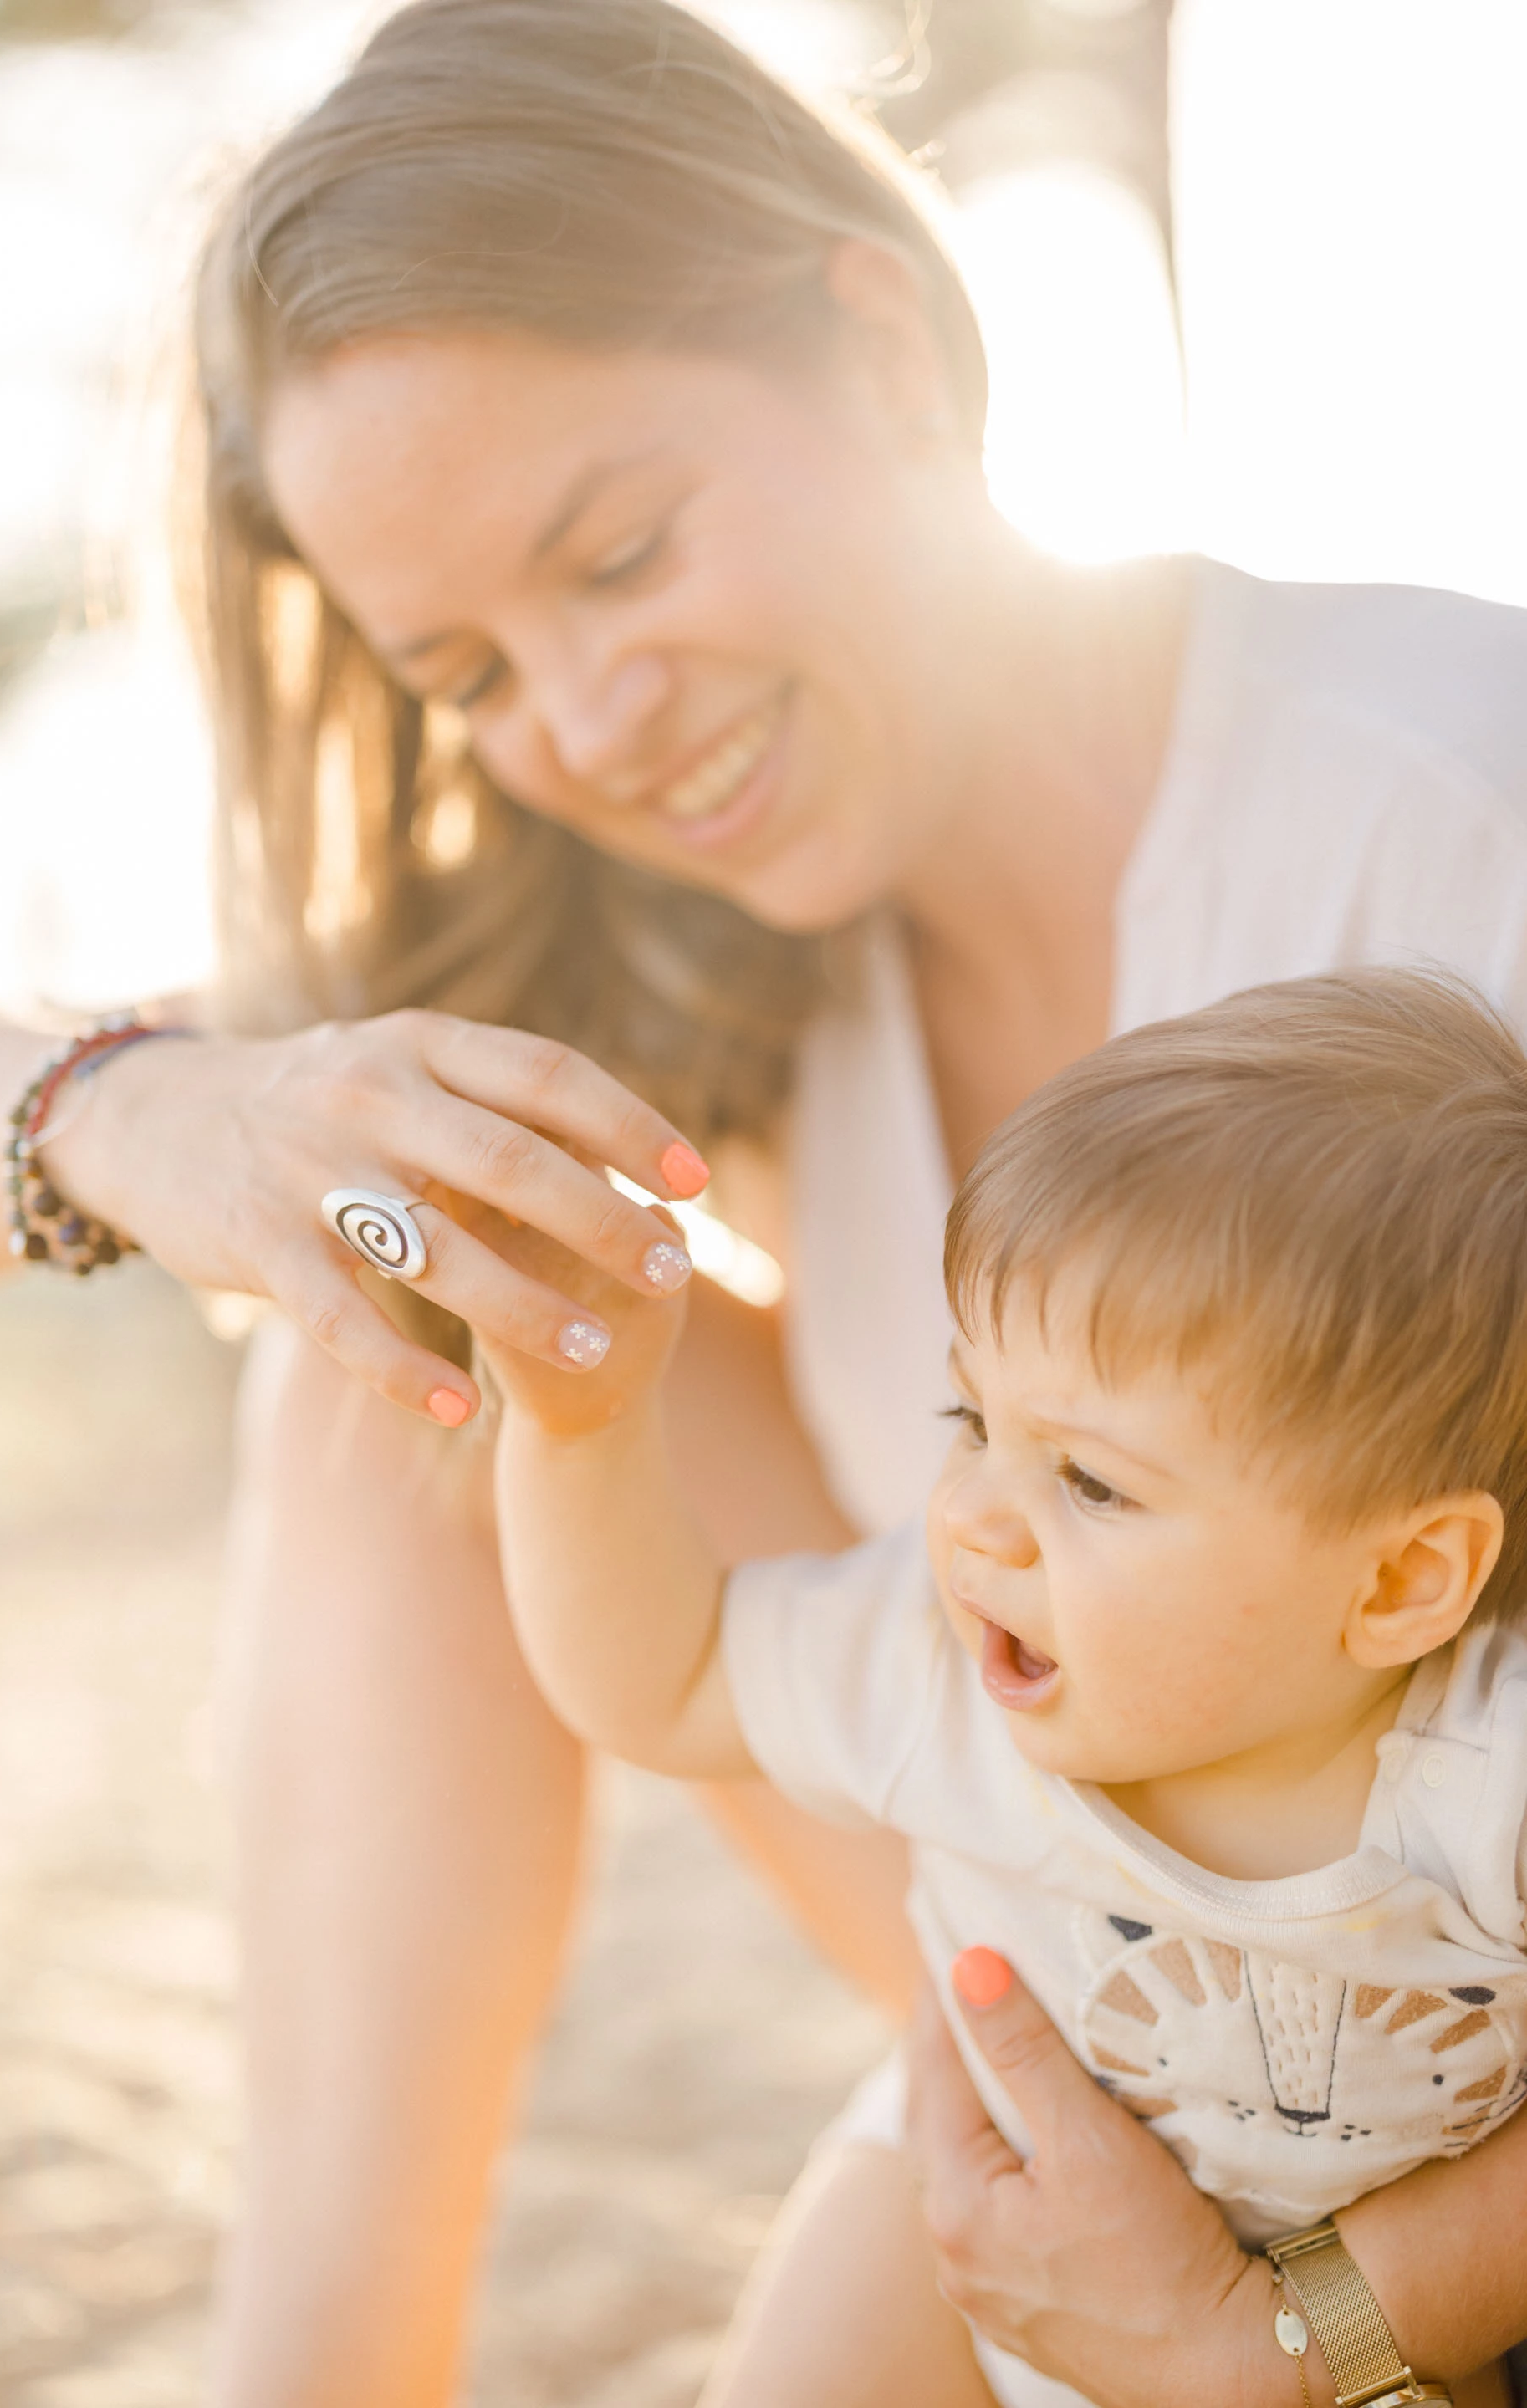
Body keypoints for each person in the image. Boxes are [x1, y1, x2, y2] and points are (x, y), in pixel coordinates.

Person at [0, 2, 1527, 2399]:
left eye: (623, 552)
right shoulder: (707, 951)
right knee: (427, 1300)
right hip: (1114, 2045)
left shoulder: (1452, 818)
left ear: (878, 343)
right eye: (467, 673)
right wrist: (152, 1119)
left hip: (1442, 2164)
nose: (583, 726)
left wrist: (1297, 2334)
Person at [480, 966, 1527, 2408]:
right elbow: (663, 1682)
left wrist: (1327, 2342)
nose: (973, 1515)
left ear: (1401, 1581)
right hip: (960, 2227)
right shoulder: (933, 1664)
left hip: (1361, 2339)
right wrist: (578, 1428)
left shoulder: (1490, 1769)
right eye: (972, 1417)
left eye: (1090, 1480)